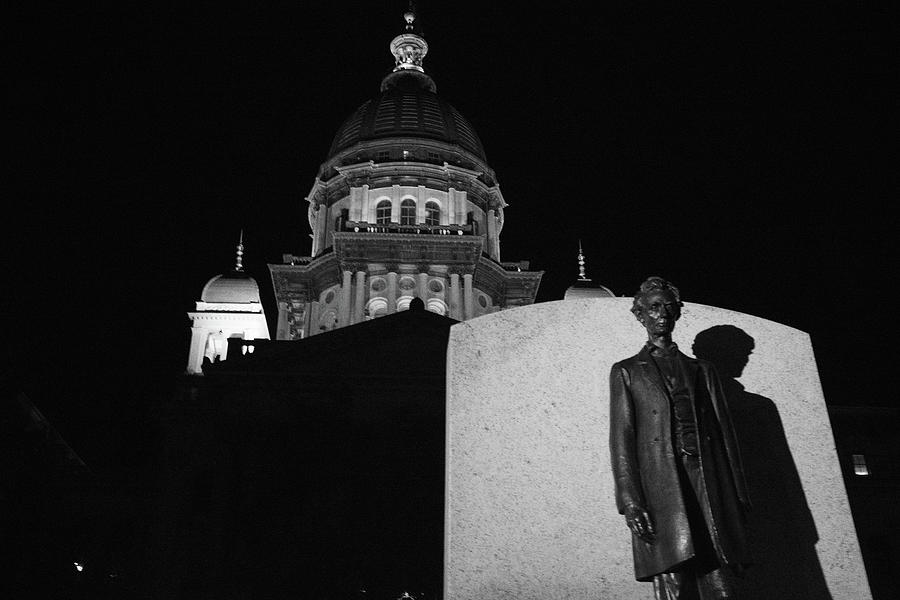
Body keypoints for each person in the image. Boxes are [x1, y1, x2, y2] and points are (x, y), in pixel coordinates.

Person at [609, 277, 751, 599]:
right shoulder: (626, 371)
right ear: (640, 315)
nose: (661, 314)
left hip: (709, 482)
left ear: (677, 314)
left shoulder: (703, 370)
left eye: (668, 307)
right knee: (674, 584)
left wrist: (739, 498)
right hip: (661, 487)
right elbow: (622, 441)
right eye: (654, 307)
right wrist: (631, 502)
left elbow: (726, 436)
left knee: (720, 581)